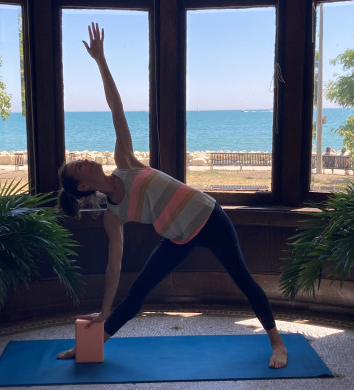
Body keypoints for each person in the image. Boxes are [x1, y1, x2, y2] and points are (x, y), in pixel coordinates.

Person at [55, 23, 288, 369]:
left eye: (79, 160)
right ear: (85, 186)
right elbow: (114, 265)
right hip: (178, 237)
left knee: (243, 279)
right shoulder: (112, 216)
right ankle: (92, 343)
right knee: (138, 293)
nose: (84, 160)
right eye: (78, 167)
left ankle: (277, 344)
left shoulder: (126, 162)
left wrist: (101, 61)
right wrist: (104, 310)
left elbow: (116, 108)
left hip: (209, 217)